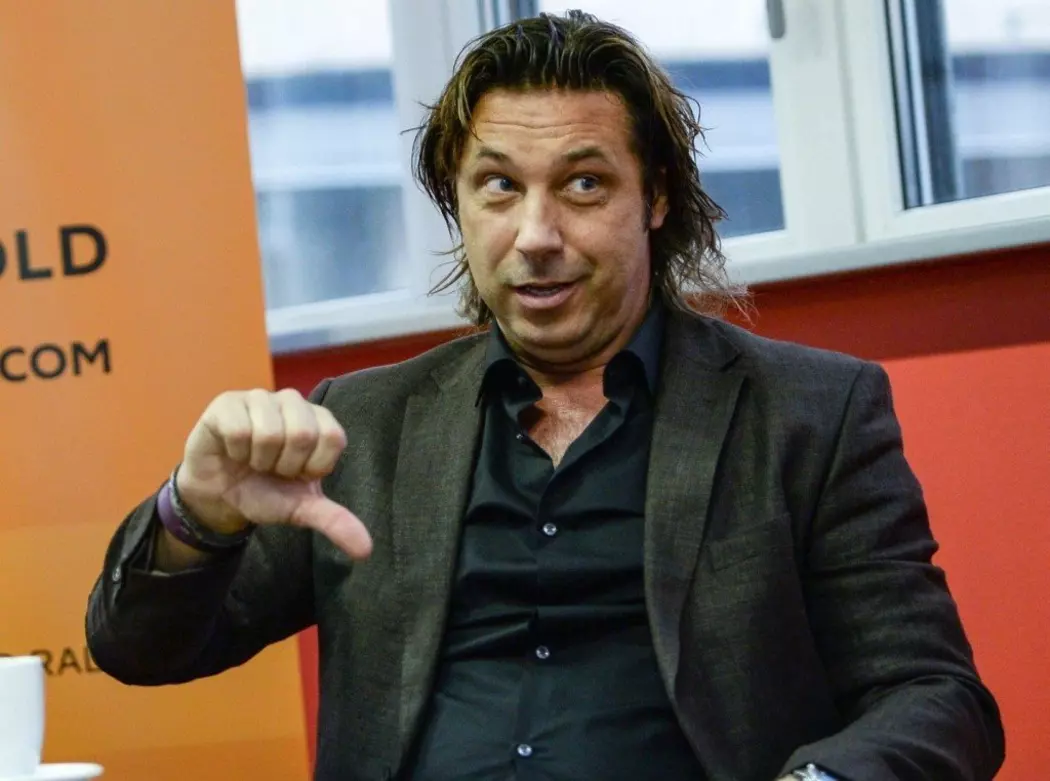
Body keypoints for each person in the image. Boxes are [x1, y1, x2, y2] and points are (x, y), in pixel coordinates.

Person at [85, 10, 1004, 781]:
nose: (535, 235)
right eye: (498, 186)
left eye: (583, 184)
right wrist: (197, 514)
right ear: (458, 205)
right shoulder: (361, 427)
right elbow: (138, 649)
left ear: (655, 197)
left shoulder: (807, 413)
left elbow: (935, 696)